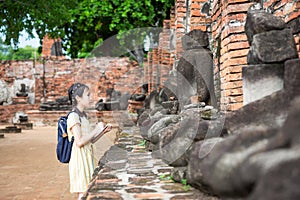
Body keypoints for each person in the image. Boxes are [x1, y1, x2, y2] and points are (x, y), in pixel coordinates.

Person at [67, 82, 112, 200]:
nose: (90, 98)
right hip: (80, 158)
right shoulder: (73, 117)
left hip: (88, 155)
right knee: (83, 192)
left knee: (89, 189)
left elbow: (89, 141)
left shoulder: (83, 116)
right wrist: (97, 128)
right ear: (78, 98)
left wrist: (103, 132)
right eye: (87, 95)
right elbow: (79, 142)